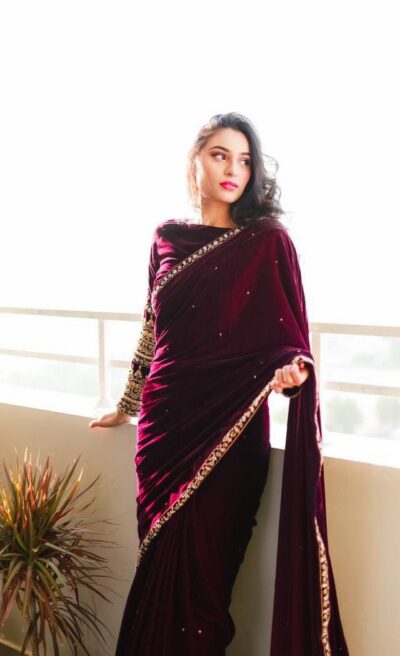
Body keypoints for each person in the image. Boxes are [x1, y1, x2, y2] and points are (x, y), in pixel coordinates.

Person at [89, 112, 349, 656]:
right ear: (196, 161)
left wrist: (293, 377)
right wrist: (126, 405)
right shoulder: (166, 237)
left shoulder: (268, 242)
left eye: (245, 160)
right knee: (160, 571)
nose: (234, 170)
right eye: (220, 155)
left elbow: (288, 340)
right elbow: (152, 328)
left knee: (206, 591)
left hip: (230, 438)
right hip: (162, 434)